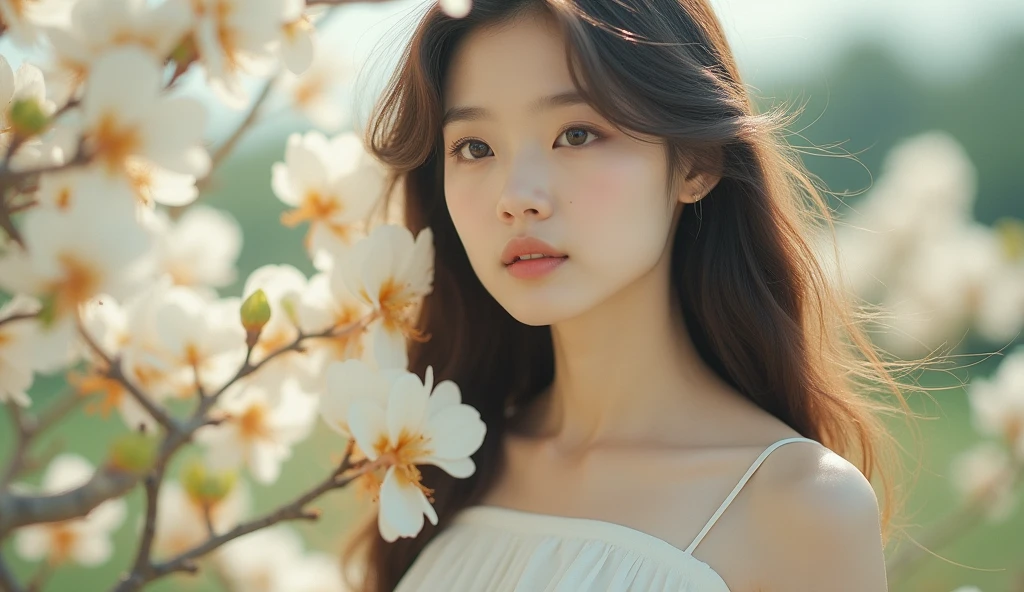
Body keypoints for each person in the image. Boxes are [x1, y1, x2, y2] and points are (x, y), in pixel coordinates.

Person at [341, 0, 911, 590]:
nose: (516, 197)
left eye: (577, 134)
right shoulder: (447, 463)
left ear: (696, 161)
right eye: (475, 148)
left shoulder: (801, 506)